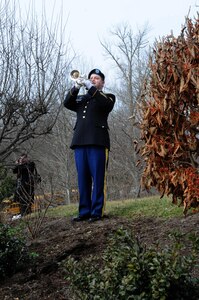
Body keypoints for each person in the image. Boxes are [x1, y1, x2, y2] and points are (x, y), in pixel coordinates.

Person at [64, 68, 116, 222]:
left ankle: (97, 212)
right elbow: (67, 103)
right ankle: (84, 211)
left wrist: (89, 86)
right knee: (83, 179)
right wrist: (76, 86)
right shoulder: (82, 99)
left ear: (102, 83)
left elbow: (105, 105)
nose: (93, 80)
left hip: (98, 142)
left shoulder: (108, 97)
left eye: (96, 78)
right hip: (80, 142)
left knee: (99, 178)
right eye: (91, 78)